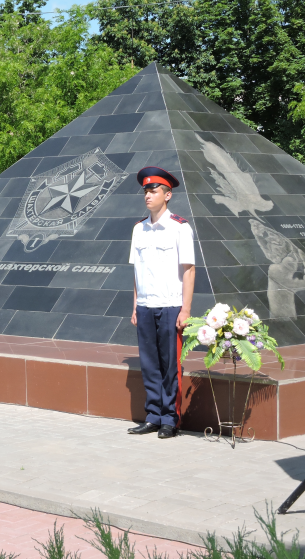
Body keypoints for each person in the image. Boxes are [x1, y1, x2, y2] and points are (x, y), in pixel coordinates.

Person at [128, 167, 195, 439]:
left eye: (153, 190)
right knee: (150, 365)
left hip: (170, 306)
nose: (147, 195)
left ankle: (170, 419)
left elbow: (189, 269)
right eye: (145, 190)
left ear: (167, 195)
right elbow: (136, 271)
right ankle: (153, 416)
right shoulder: (138, 228)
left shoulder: (179, 227)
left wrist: (186, 309)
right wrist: (135, 306)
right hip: (145, 306)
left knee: (170, 367)